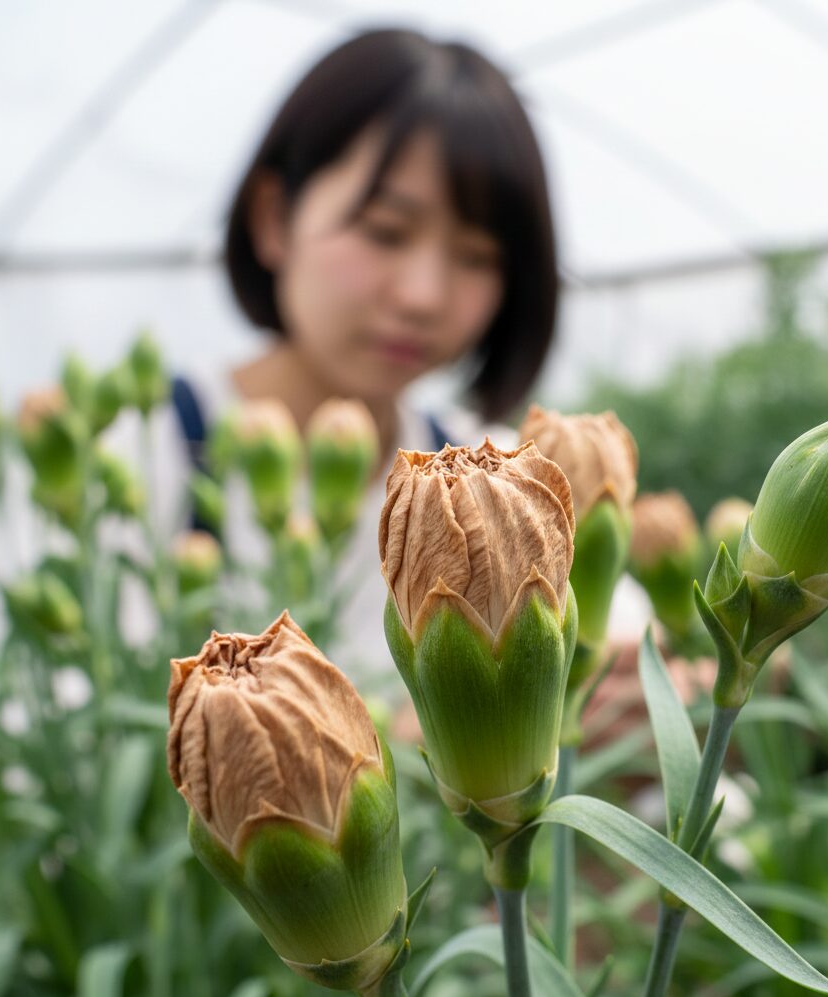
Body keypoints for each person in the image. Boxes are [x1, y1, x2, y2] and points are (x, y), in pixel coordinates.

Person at [163, 27, 560, 685]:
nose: (424, 295)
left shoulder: (494, 478)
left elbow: (613, 647)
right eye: (385, 231)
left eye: (478, 257)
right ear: (273, 218)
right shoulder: (143, 450)